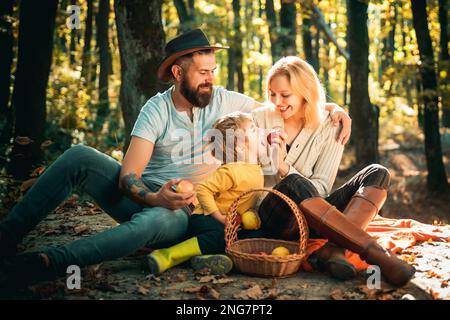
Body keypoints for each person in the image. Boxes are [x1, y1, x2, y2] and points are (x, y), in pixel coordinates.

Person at [0, 29, 351, 288]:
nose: (210, 80)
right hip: (144, 195)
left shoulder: (224, 99)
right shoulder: (155, 109)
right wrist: (154, 196)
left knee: (157, 220)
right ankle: (7, 236)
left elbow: (284, 103)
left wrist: (334, 108)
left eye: (213, 71)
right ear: (178, 73)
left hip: (186, 210)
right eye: (202, 73)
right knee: (79, 156)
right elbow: (128, 177)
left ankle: (47, 262)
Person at [254, 56, 415, 286]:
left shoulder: (330, 125)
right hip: (273, 217)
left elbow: (321, 188)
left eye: (285, 95)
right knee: (292, 184)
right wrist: (282, 169)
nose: (276, 101)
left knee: (377, 172)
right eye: (272, 93)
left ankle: (334, 250)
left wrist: (334, 109)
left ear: (304, 92)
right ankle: (377, 254)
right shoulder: (257, 118)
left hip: (315, 218)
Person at [144, 112, 265, 275]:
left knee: (256, 235)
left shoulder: (256, 169)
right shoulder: (232, 170)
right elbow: (203, 189)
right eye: (253, 129)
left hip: (229, 221)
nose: (259, 131)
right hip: (205, 218)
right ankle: (167, 255)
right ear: (240, 146)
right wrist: (218, 216)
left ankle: (204, 258)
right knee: (221, 235)